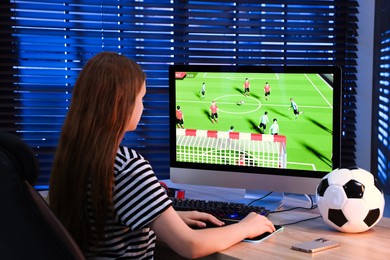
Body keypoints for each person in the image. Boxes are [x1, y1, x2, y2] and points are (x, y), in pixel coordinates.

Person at [49, 52, 275, 259]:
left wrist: (164, 217)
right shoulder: (127, 167)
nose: (143, 107)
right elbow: (191, 245)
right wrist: (246, 226)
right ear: (120, 103)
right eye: (141, 98)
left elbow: (109, 220)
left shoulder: (75, 157)